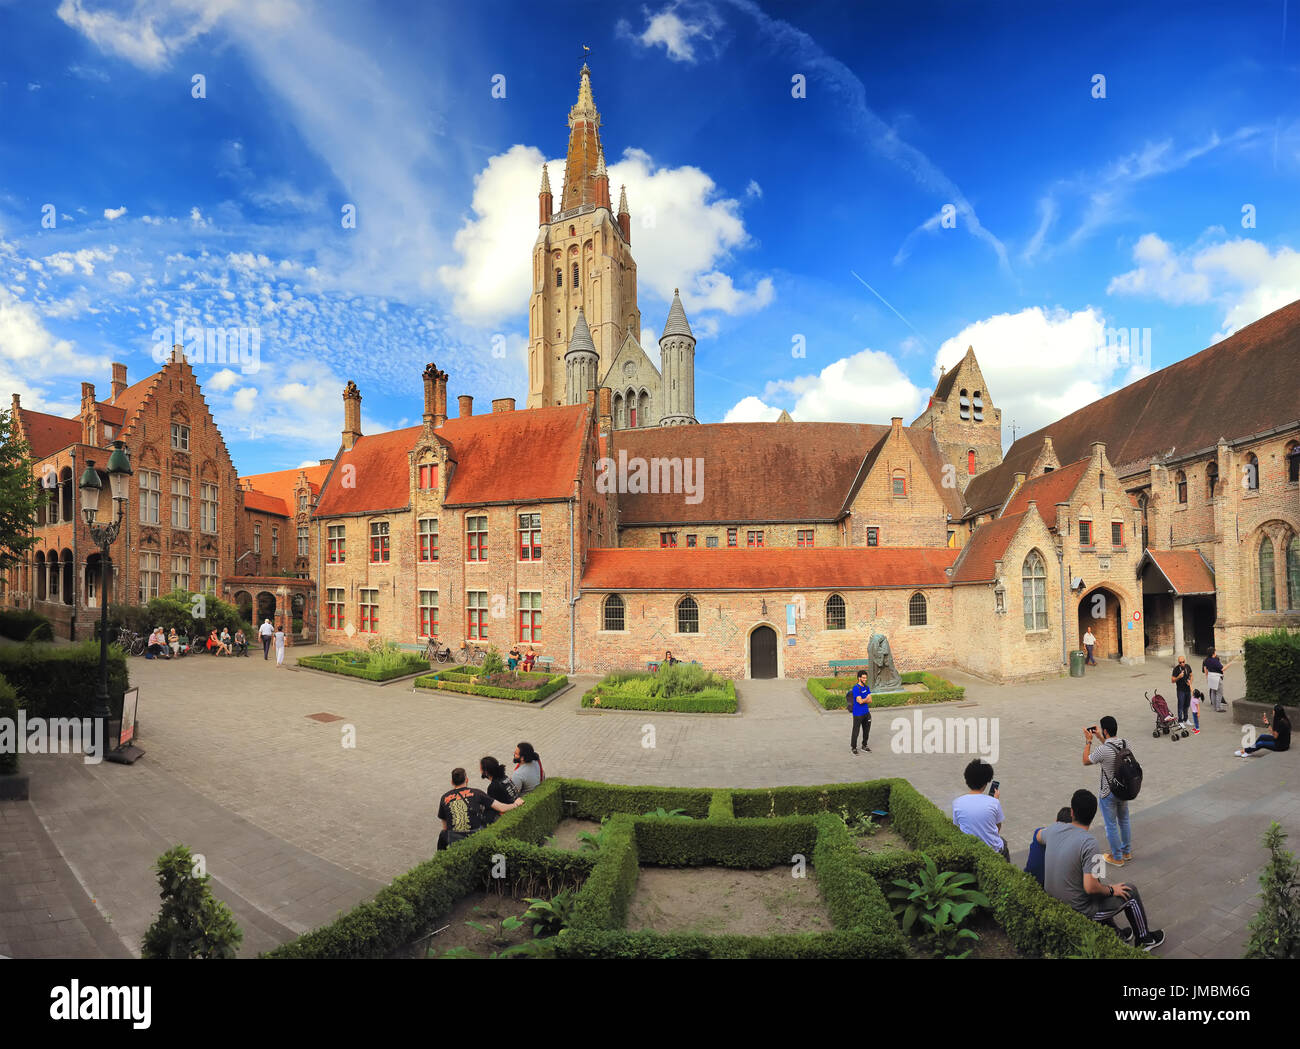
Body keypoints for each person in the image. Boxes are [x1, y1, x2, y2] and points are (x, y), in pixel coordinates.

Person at [1042, 788, 1163, 951]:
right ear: (1093, 816)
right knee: (1129, 891)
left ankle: (1117, 934)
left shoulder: (1054, 829)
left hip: (1053, 900)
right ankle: (1144, 939)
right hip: (1079, 910)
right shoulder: (1090, 843)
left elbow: (1038, 836)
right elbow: (1091, 888)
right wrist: (1112, 890)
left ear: (1072, 812)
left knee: (1099, 884)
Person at [1083, 716, 1133, 866]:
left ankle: (1117, 857)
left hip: (1108, 792)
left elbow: (1086, 760)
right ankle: (1127, 851)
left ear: (1105, 730)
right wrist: (1100, 736)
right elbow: (1114, 750)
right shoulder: (1125, 743)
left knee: (1111, 825)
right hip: (1123, 789)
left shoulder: (1102, 750)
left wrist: (1089, 741)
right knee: (1124, 820)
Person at [437, 767, 523, 849]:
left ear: (452, 782)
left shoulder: (444, 797)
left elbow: (445, 827)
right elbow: (501, 808)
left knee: (442, 834)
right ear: (467, 780)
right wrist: (515, 804)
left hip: (454, 839)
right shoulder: (476, 792)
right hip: (475, 836)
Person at [951, 759, 1009, 860]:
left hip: (971, 850)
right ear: (986, 783)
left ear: (967, 780)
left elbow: (958, 826)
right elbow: (998, 827)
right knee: (1003, 843)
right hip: (993, 851)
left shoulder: (957, 803)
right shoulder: (994, 802)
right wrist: (994, 800)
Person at [1025, 807, 1074, 887]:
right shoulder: (1068, 845)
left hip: (1029, 878)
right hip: (1046, 886)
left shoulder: (1039, 831)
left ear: (1056, 820)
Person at [479, 756, 519, 824]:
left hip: (506, 812)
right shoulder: (505, 777)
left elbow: (492, 807)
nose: (480, 770)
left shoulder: (493, 787)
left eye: (480, 769)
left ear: (486, 772)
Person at [849, 669, 872, 755]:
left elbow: (870, 700)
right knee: (856, 731)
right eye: (863, 678)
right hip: (858, 713)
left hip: (866, 713)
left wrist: (864, 699)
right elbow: (860, 701)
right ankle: (854, 747)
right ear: (859, 678)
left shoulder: (867, 687)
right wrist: (865, 699)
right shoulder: (856, 688)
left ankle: (864, 745)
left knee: (866, 731)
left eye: (866, 678)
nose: (865, 679)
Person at [1171, 655, 1193, 724]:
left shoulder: (1188, 666)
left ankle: (1186, 719)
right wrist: (1178, 677)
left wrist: (1190, 682)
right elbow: (1172, 680)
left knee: (1186, 705)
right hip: (1180, 690)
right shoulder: (1176, 669)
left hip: (1187, 689)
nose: (1182, 664)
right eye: (1180, 662)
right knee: (1180, 705)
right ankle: (1180, 720)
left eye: (1183, 662)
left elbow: (1191, 675)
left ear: (1185, 661)